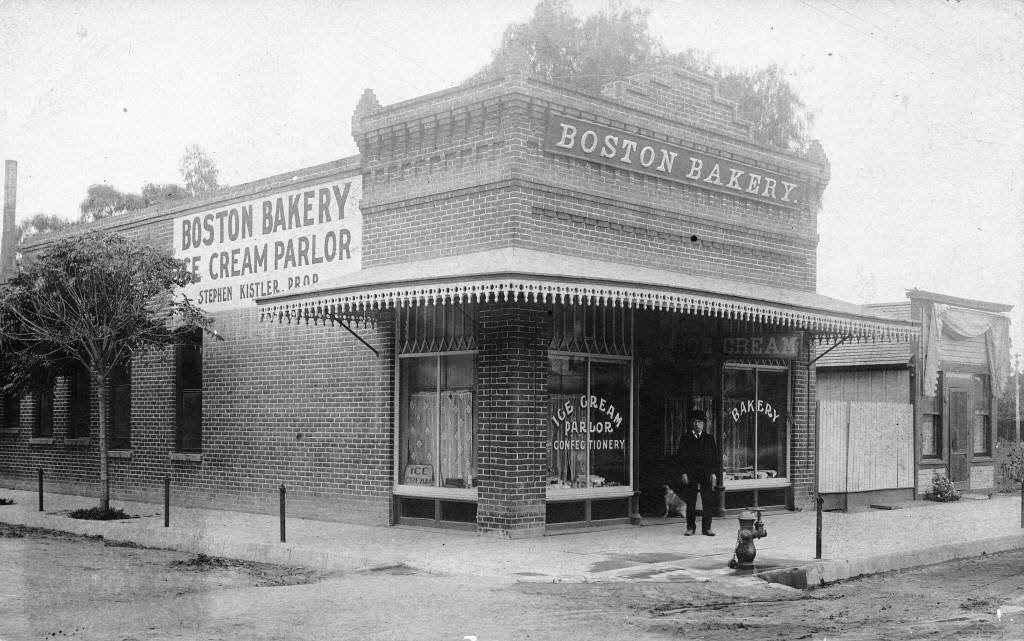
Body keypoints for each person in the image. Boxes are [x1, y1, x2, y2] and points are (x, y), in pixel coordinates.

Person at [675, 409, 723, 536]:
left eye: (700, 422)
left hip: (706, 473)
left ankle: (707, 528)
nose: (697, 424)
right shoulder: (685, 438)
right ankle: (690, 527)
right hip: (690, 474)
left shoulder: (709, 439)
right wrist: (683, 473)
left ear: (704, 424)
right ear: (692, 423)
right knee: (690, 501)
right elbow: (680, 458)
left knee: (708, 501)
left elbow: (715, 458)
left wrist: (713, 473)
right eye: (695, 422)